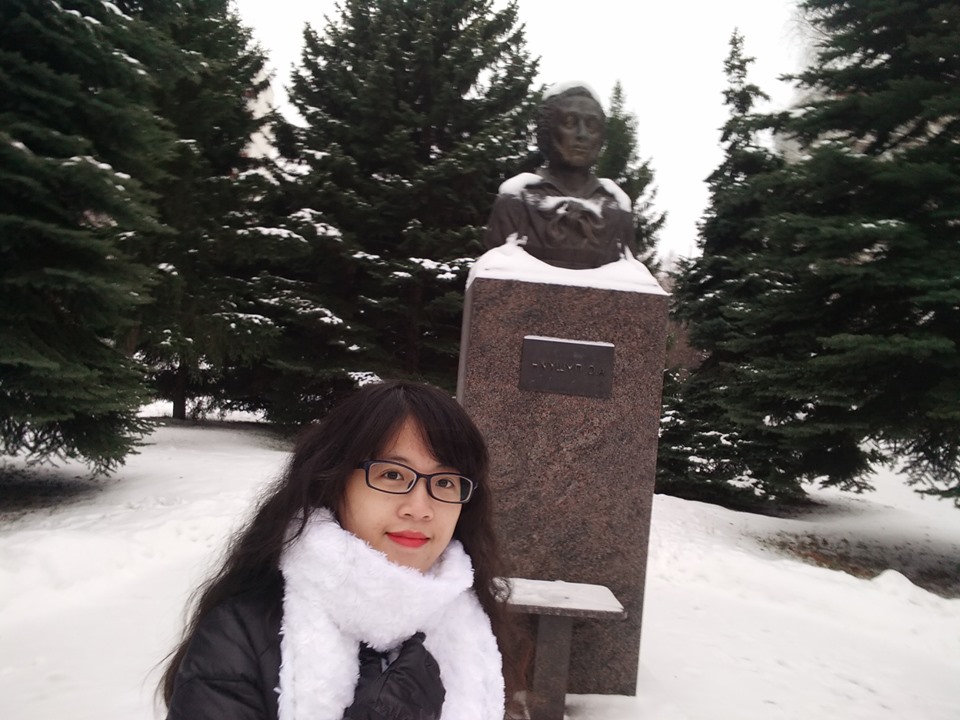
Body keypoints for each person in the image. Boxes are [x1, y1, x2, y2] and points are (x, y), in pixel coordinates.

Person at [160, 380, 523, 720]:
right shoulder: (240, 634)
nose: (419, 508)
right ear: (335, 482)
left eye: (444, 482)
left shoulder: (476, 628)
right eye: (392, 474)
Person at [483, 84, 637, 269]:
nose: (582, 135)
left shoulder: (617, 209)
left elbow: (629, 274)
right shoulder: (517, 201)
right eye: (569, 123)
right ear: (547, 131)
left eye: (592, 126)